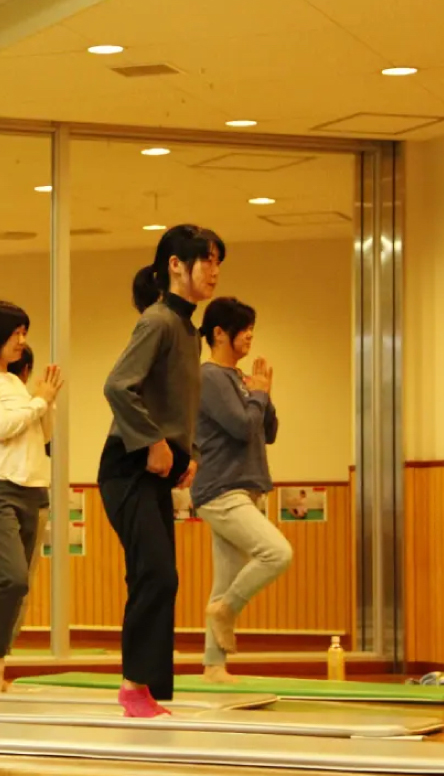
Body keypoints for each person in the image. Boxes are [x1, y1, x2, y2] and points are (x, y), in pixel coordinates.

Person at [99, 224, 225, 718]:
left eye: (218, 262)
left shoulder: (187, 331)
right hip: (127, 467)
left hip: (158, 468)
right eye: (207, 260)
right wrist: (152, 440)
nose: (214, 271)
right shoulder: (157, 321)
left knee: (156, 576)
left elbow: (179, 401)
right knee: (157, 573)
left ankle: (146, 689)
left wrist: (187, 452)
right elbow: (117, 386)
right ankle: (134, 688)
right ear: (176, 265)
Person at [0, 301, 63, 691]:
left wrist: (46, 401)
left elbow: (45, 435)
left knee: (2, 584)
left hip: (31, 489)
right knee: (13, 578)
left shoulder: (14, 383)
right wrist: (39, 402)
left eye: (24, 332)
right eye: (16, 333)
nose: (23, 341)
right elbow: (2, 427)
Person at [191, 297, 290, 684]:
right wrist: (259, 396)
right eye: (243, 327)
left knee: (226, 575)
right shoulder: (210, 376)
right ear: (219, 333)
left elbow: (268, 432)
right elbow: (240, 426)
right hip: (221, 488)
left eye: (252, 327)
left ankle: (213, 666)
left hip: (243, 488)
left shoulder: (238, 378)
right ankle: (227, 609)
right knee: (277, 552)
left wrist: (264, 393)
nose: (250, 334)